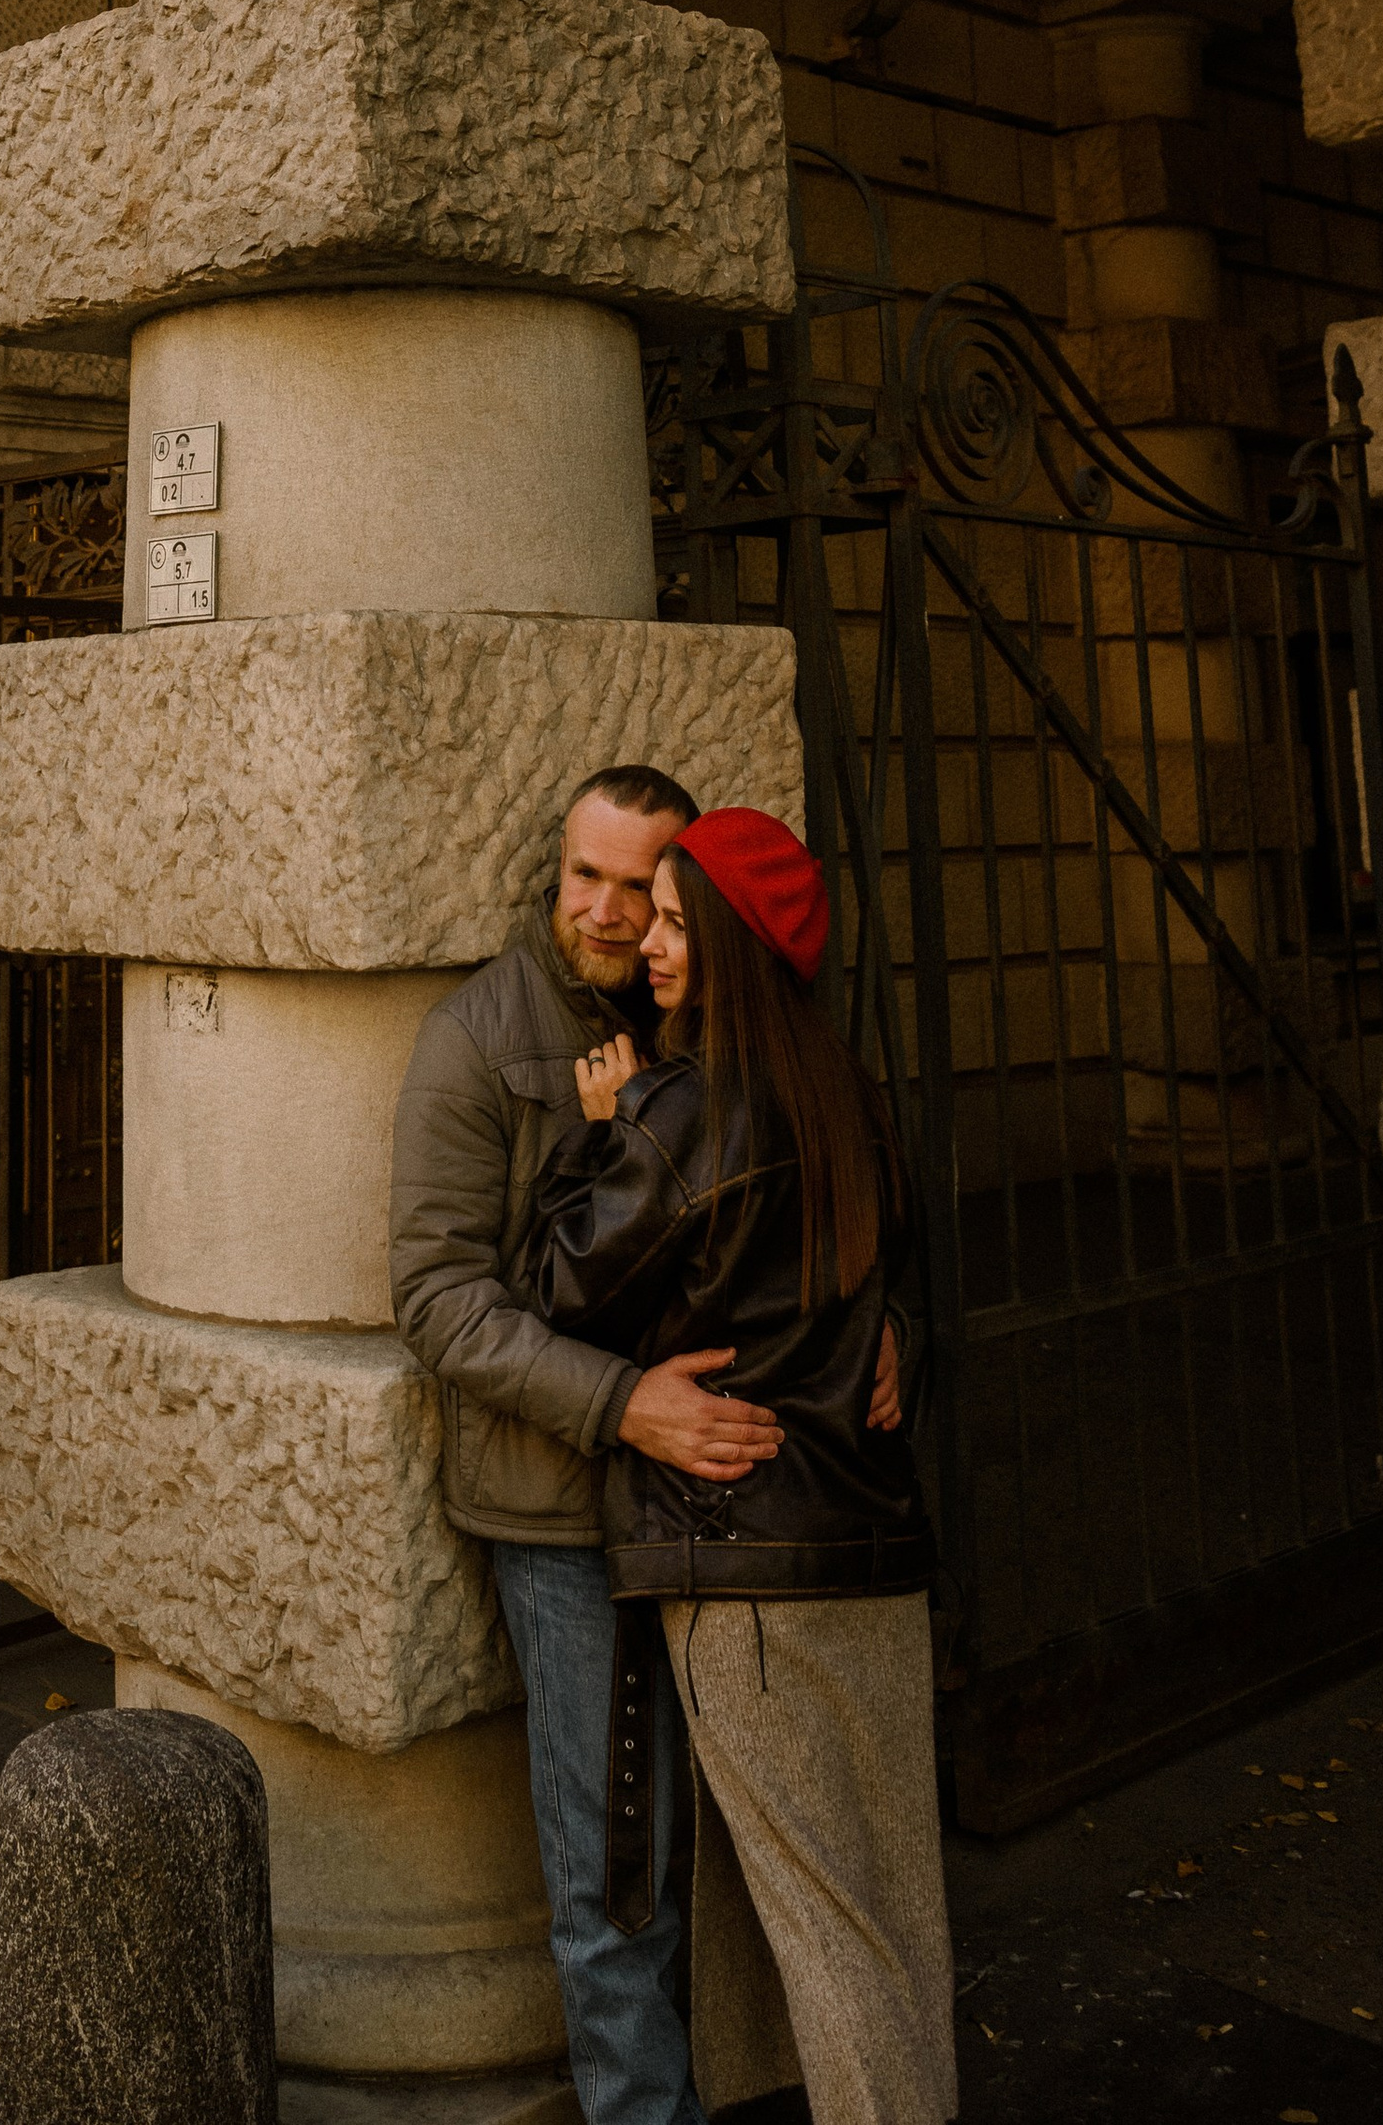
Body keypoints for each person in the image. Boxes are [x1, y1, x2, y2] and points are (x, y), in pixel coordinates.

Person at [520, 805, 955, 2125]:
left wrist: (595, 1134)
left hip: (752, 1576)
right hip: (870, 1559)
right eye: (643, 914)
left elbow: (551, 1284)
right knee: (880, 1917)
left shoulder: (680, 1115)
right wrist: (903, 1341)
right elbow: (891, 1288)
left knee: (825, 1936)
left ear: (735, 940)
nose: (649, 944)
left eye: (671, 919)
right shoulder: (850, 1098)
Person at [390, 766, 790, 2125]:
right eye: (589, 878)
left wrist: (881, 1323)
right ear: (553, 872)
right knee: (614, 1879)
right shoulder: (476, 1040)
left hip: (728, 1503)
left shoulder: (701, 1018)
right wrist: (626, 1405)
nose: (612, 913)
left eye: (641, 886)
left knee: (722, 1855)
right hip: (567, 1516)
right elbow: (440, 1301)